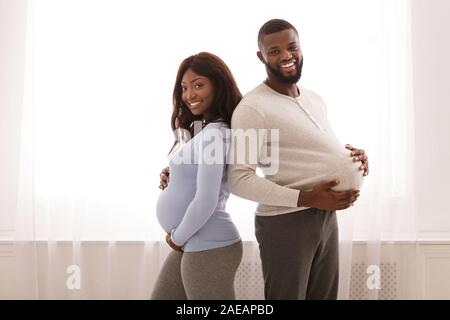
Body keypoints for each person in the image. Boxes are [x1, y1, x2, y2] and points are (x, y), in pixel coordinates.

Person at [226, 19, 369, 300]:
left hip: (325, 217)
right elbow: (239, 180)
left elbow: (312, 154)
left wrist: (354, 160)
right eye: (275, 51)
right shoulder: (252, 108)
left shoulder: (315, 99)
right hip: (286, 222)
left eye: (292, 47)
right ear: (261, 56)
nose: (286, 56)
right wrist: (308, 198)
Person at [151, 52, 243, 300]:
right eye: (184, 87)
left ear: (218, 85)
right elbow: (194, 177)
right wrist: (173, 175)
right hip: (193, 240)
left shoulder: (216, 134)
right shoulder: (206, 131)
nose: (189, 94)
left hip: (208, 243)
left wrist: (177, 238)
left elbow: (206, 198)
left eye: (198, 85)